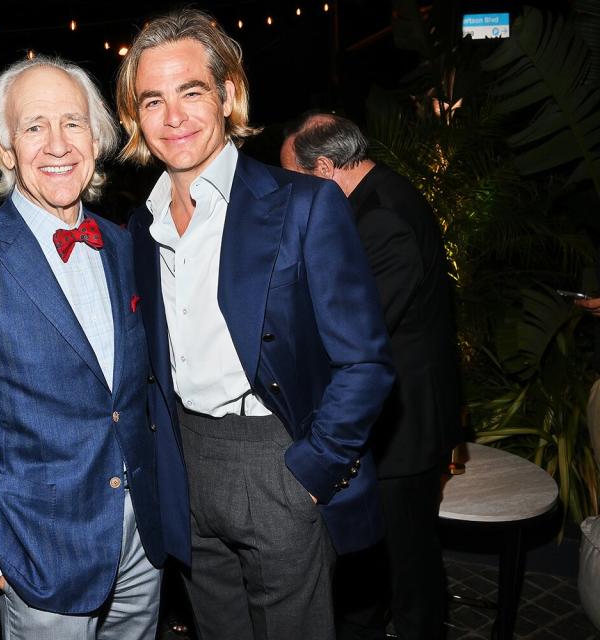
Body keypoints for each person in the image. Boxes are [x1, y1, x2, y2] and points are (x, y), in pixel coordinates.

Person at [115, 9, 395, 640]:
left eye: (191, 91)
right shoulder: (141, 226)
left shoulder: (304, 205)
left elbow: (366, 362)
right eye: (153, 99)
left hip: (277, 459)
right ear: (136, 117)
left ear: (228, 94)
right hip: (186, 461)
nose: (175, 116)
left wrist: (315, 469)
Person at [0, 55, 184, 640]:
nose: (58, 144)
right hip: (39, 559)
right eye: (34, 126)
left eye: (73, 123)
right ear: (5, 149)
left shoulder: (126, 246)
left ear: (98, 137)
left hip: (142, 544)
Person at [281, 112, 463, 639]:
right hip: (391, 417)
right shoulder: (371, 199)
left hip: (405, 427)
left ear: (323, 168)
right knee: (382, 559)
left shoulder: (382, 217)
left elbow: (360, 329)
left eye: (296, 179)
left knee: (411, 567)